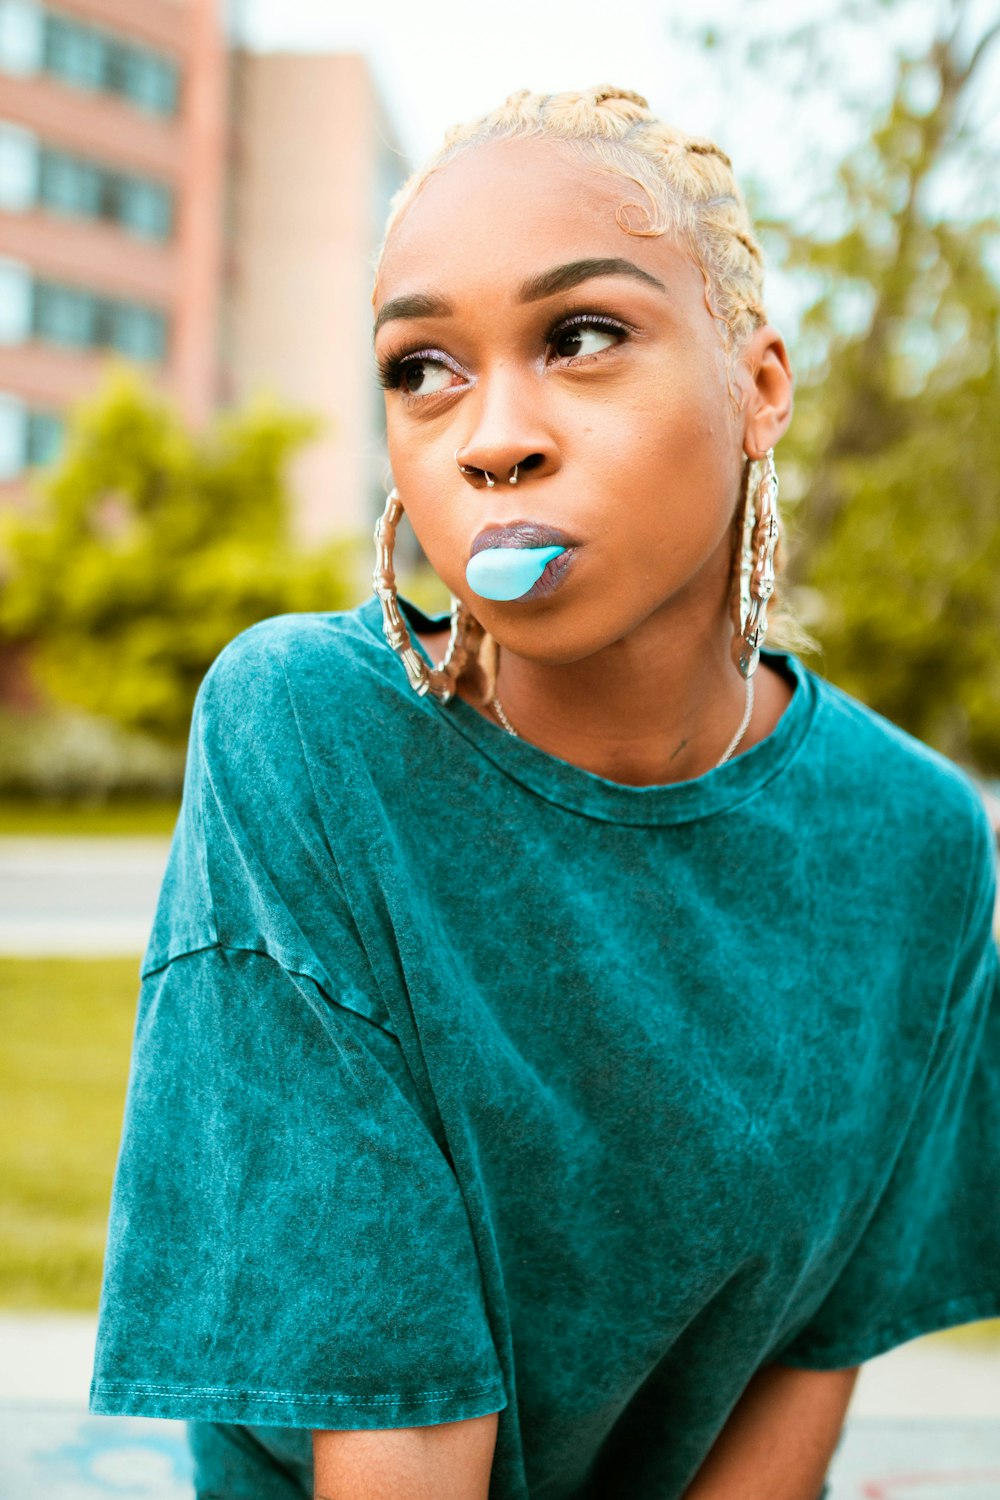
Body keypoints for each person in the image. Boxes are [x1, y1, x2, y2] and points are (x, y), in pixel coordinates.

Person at [89, 86, 1000, 1500]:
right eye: (423, 368)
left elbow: (799, 1368)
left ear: (760, 385)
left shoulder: (916, 846)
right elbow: (401, 1449)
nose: (490, 437)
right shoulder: (309, 737)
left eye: (582, 337)